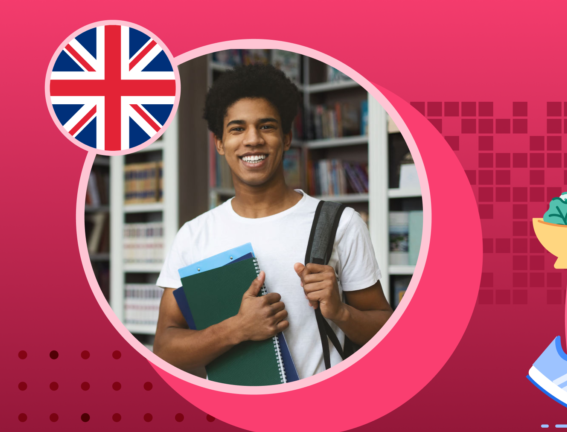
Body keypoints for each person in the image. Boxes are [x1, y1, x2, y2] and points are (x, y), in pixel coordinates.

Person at [153, 64, 392, 380]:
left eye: (266, 126)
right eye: (237, 129)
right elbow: (165, 348)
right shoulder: (195, 234)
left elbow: (388, 333)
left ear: (287, 137)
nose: (252, 140)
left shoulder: (340, 224)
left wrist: (341, 312)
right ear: (220, 143)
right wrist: (237, 329)